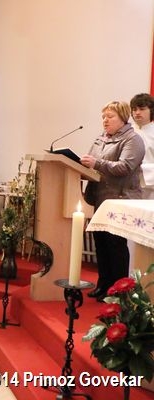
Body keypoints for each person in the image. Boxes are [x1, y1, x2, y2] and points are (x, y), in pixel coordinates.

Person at [80, 101, 145, 302]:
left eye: (110, 117)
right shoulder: (101, 138)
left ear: (123, 118)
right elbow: (91, 165)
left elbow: (125, 167)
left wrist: (96, 163)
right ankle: (103, 284)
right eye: (103, 117)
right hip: (101, 198)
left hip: (120, 199)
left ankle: (118, 291)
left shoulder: (133, 139)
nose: (105, 121)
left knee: (115, 246)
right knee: (101, 244)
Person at [130, 93, 154, 199]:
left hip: (150, 188)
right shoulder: (126, 131)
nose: (137, 112)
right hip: (127, 187)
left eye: (142, 109)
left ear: (151, 110)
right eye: (134, 109)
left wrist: (142, 170)